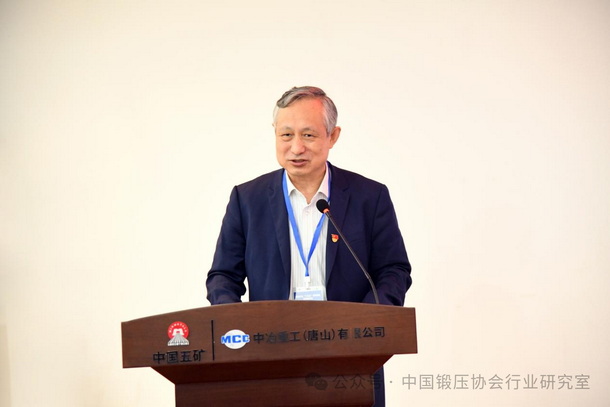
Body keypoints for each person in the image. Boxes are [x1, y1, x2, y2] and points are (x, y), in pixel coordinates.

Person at [206, 86, 412, 406]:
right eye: (286, 135)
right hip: (270, 353)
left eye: (309, 135)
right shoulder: (247, 199)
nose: (296, 147)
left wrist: (365, 324)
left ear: (333, 136)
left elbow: (393, 270)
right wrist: (237, 328)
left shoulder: (369, 197)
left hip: (349, 354)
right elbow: (222, 276)